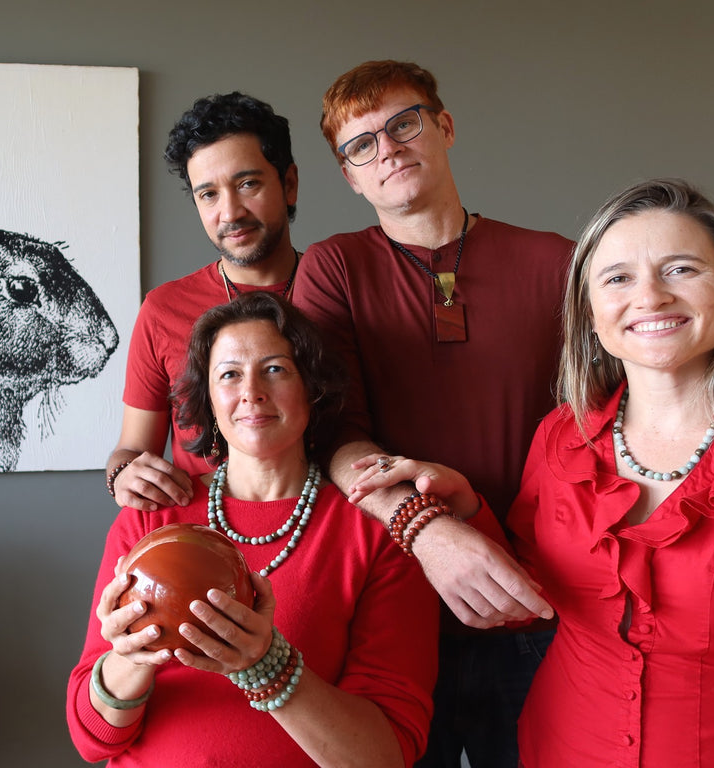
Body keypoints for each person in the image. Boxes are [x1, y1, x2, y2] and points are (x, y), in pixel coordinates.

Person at [386, 178, 714, 766]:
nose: (650, 296)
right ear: (591, 310)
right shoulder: (561, 435)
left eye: (681, 269)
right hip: (559, 748)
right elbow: (537, 590)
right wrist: (468, 511)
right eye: (618, 277)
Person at [292, 60, 572, 767]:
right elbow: (332, 435)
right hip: (396, 608)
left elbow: (602, 426)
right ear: (351, 176)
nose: (386, 148)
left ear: (443, 128)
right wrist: (426, 532)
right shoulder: (334, 268)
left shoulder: (558, 262)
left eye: (403, 123)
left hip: (544, 602)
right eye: (361, 145)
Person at [67, 292, 439, 766]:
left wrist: (266, 666)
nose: (251, 392)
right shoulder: (149, 518)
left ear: (314, 388)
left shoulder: (372, 532)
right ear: (209, 400)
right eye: (229, 374)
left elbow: (386, 755)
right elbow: (92, 740)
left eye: (275, 369)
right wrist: (129, 658)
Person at [105, 92, 301, 513]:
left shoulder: (337, 291)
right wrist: (123, 476)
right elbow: (132, 450)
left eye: (248, 184)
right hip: (202, 545)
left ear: (288, 184)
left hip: (333, 541)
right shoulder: (162, 310)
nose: (230, 212)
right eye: (208, 194)